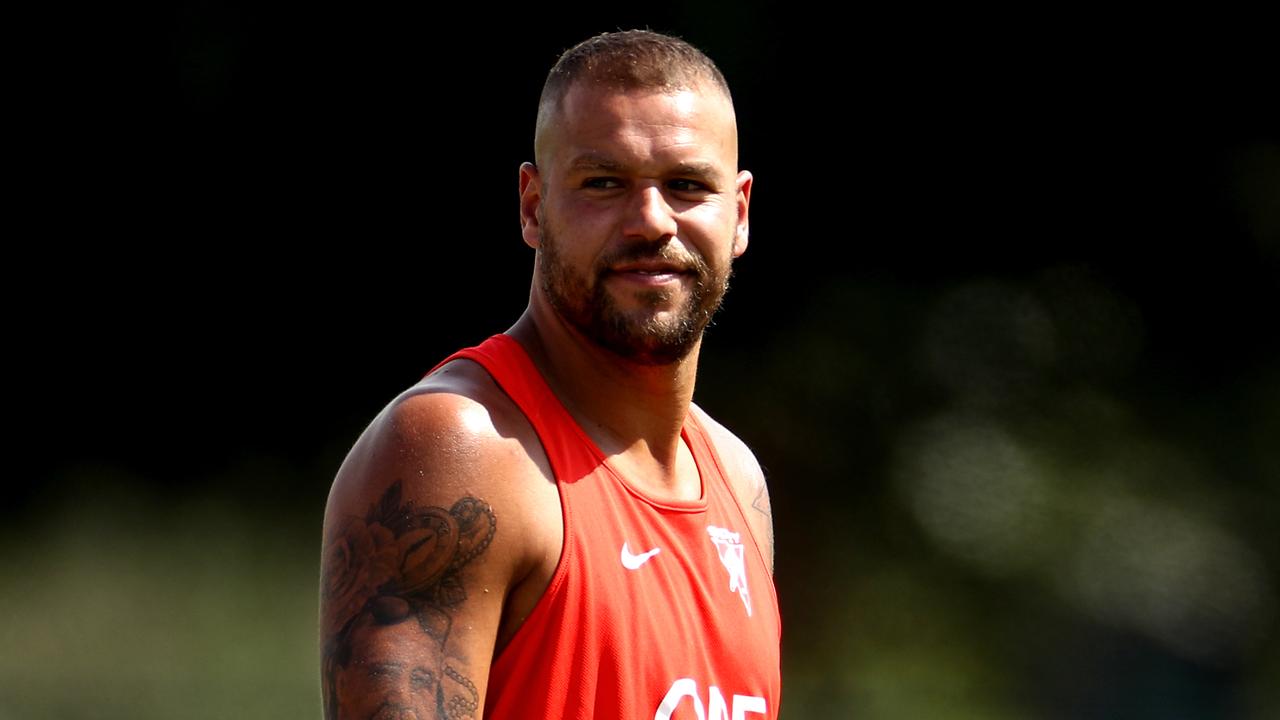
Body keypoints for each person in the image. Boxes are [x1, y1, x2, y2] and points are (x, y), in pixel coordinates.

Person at [320, 29, 780, 719]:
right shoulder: (464, 452)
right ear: (532, 206)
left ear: (738, 214)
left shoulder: (738, 485)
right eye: (604, 184)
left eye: (687, 186)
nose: (652, 220)